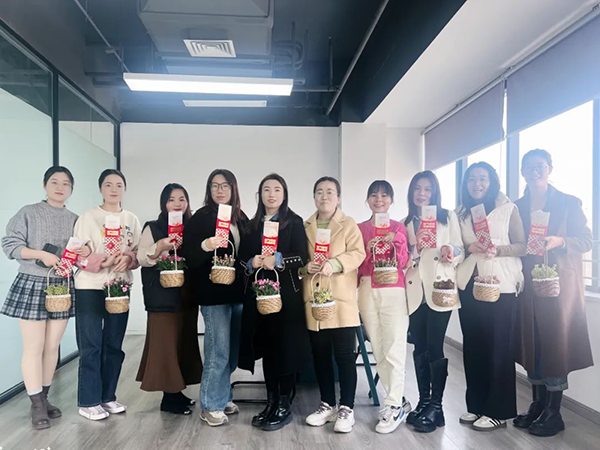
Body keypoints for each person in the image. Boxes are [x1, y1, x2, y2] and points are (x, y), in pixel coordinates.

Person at [513, 149, 594, 437]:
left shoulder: (568, 203)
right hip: (527, 285)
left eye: (540, 166)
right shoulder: (517, 206)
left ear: (550, 169)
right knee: (532, 341)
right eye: (529, 167)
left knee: (555, 345)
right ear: (522, 172)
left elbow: (586, 240)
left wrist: (560, 241)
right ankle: (537, 404)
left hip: (558, 286)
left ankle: (554, 411)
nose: (535, 171)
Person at [1, 166, 81, 429]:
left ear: (71, 188)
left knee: (52, 346)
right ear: (45, 185)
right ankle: (36, 404)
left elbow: (77, 254)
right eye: (54, 182)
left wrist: (82, 254)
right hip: (32, 283)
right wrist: (41, 255)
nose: (60, 187)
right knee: (34, 346)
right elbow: (10, 245)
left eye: (66, 183)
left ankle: (44, 398)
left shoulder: (75, 219)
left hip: (62, 285)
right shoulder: (29, 212)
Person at [238, 174, 311, 431]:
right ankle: (271, 402)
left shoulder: (294, 222)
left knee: (285, 349)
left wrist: (277, 259)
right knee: (268, 349)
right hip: (260, 296)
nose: (271, 194)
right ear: (260, 195)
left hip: (287, 297)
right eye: (266, 190)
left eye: (277, 189)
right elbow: (241, 260)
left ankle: (284, 405)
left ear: (284, 194)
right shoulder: (251, 226)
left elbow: (302, 257)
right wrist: (252, 262)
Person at [456, 162, 526, 432]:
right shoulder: (461, 212)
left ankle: (498, 411)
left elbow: (522, 246)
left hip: (501, 286)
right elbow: (456, 246)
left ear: (492, 181)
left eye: (483, 179)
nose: (477, 184)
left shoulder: (508, 209)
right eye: (472, 179)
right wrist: (467, 247)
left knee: (499, 348)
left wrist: (497, 249)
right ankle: (476, 405)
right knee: (474, 347)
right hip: (470, 284)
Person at [73, 169, 142, 421]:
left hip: (119, 287)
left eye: (119, 185)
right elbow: (77, 255)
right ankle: (88, 401)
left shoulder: (131, 219)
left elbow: (137, 253)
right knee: (91, 345)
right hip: (90, 286)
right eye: (108, 184)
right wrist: (102, 262)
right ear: (100, 188)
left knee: (114, 345)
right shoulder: (88, 217)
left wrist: (128, 258)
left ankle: (107, 396)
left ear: (125, 189)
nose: (114, 189)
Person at [182, 169, 248, 427]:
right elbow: (189, 254)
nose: (220, 190)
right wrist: (206, 245)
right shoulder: (201, 217)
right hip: (213, 294)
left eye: (225, 185)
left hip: (237, 293)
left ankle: (222, 395)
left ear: (233, 189)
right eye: (214, 185)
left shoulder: (240, 218)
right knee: (217, 349)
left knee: (231, 353)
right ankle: (210, 405)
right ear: (209, 190)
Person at [302, 176, 366, 434]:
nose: (324, 196)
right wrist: (307, 267)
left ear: (338, 198)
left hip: (341, 299)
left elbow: (358, 253)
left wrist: (335, 263)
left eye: (330, 192)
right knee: (320, 356)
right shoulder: (305, 225)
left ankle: (347, 408)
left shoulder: (348, 224)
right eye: (319, 192)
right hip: (315, 300)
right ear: (314, 197)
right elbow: (298, 258)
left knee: (344, 356)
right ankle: (327, 404)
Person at [404, 171, 464, 433]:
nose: (422, 194)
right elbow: (404, 259)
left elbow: (460, 248)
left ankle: (437, 407)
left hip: (441, 288)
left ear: (435, 192)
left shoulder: (447, 217)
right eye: (417, 188)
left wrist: (451, 252)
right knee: (419, 346)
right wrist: (413, 250)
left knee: (434, 346)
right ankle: (424, 402)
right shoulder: (406, 222)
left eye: (427, 189)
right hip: (415, 291)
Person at [136, 183, 203, 415]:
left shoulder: (192, 227)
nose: (177, 204)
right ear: (164, 203)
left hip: (187, 295)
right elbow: (141, 257)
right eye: (171, 199)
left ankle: (177, 392)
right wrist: (159, 246)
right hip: (162, 296)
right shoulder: (153, 227)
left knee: (183, 343)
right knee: (165, 345)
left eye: (182, 199)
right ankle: (169, 398)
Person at [356, 180, 410, 434]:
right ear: (367, 200)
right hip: (367, 288)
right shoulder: (360, 229)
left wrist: (395, 239)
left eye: (385, 195)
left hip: (393, 289)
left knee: (395, 345)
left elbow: (404, 261)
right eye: (374, 195)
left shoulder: (398, 227)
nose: (379, 199)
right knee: (378, 347)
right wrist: (366, 251)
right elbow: (356, 265)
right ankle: (397, 400)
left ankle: (394, 404)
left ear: (392, 200)